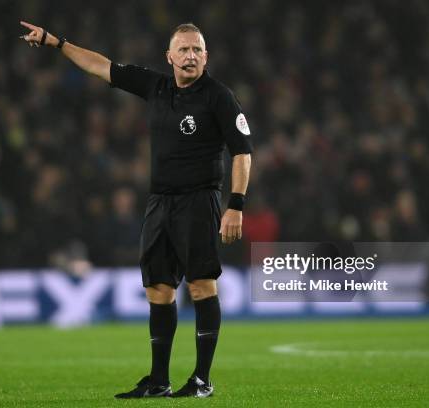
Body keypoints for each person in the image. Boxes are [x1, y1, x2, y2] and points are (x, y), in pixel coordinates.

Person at [19, 20, 253, 398]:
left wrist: (236, 205)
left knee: (200, 284)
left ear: (206, 56)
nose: (190, 56)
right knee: (158, 289)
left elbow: (242, 151)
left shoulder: (219, 97)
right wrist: (56, 42)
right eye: (183, 49)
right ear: (170, 57)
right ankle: (159, 380)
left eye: (197, 50)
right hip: (160, 202)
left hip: (199, 200)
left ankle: (201, 380)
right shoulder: (156, 86)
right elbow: (101, 66)